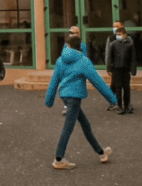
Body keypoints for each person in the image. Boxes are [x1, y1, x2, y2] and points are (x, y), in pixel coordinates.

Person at [45, 36, 116, 170]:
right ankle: (58, 159)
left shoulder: (60, 60)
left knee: (85, 125)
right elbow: (98, 82)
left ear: (68, 45)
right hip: (74, 98)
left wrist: (49, 100)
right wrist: (112, 99)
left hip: (65, 96)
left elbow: (54, 81)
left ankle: (101, 153)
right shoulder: (83, 61)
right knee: (68, 128)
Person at [106, 27, 137, 115]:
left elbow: (133, 58)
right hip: (116, 68)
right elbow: (110, 57)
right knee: (118, 87)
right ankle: (119, 105)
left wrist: (133, 70)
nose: (118, 36)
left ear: (125, 35)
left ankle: (127, 105)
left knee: (126, 87)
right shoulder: (113, 44)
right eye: (117, 34)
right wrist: (109, 68)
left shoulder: (130, 44)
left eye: (120, 34)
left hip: (126, 69)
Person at [104, 21, 124, 111]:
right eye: (113, 26)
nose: (115, 28)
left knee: (124, 85)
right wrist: (108, 66)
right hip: (115, 65)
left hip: (124, 66)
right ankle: (113, 102)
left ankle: (125, 103)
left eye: (117, 26)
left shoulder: (127, 38)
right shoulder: (111, 38)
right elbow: (107, 53)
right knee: (115, 84)